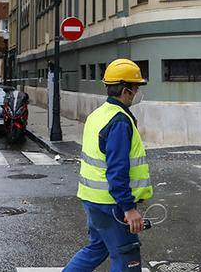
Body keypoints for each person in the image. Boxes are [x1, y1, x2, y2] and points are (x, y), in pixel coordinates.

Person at [63, 59, 153, 272]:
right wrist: (129, 208)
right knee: (127, 257)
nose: (137, 92)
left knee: (97, 248)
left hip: (92, 199)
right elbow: (117, 168)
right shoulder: (119, 121)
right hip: (112, 204)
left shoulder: (98, 114)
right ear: (125, 90)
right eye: (135, 88)